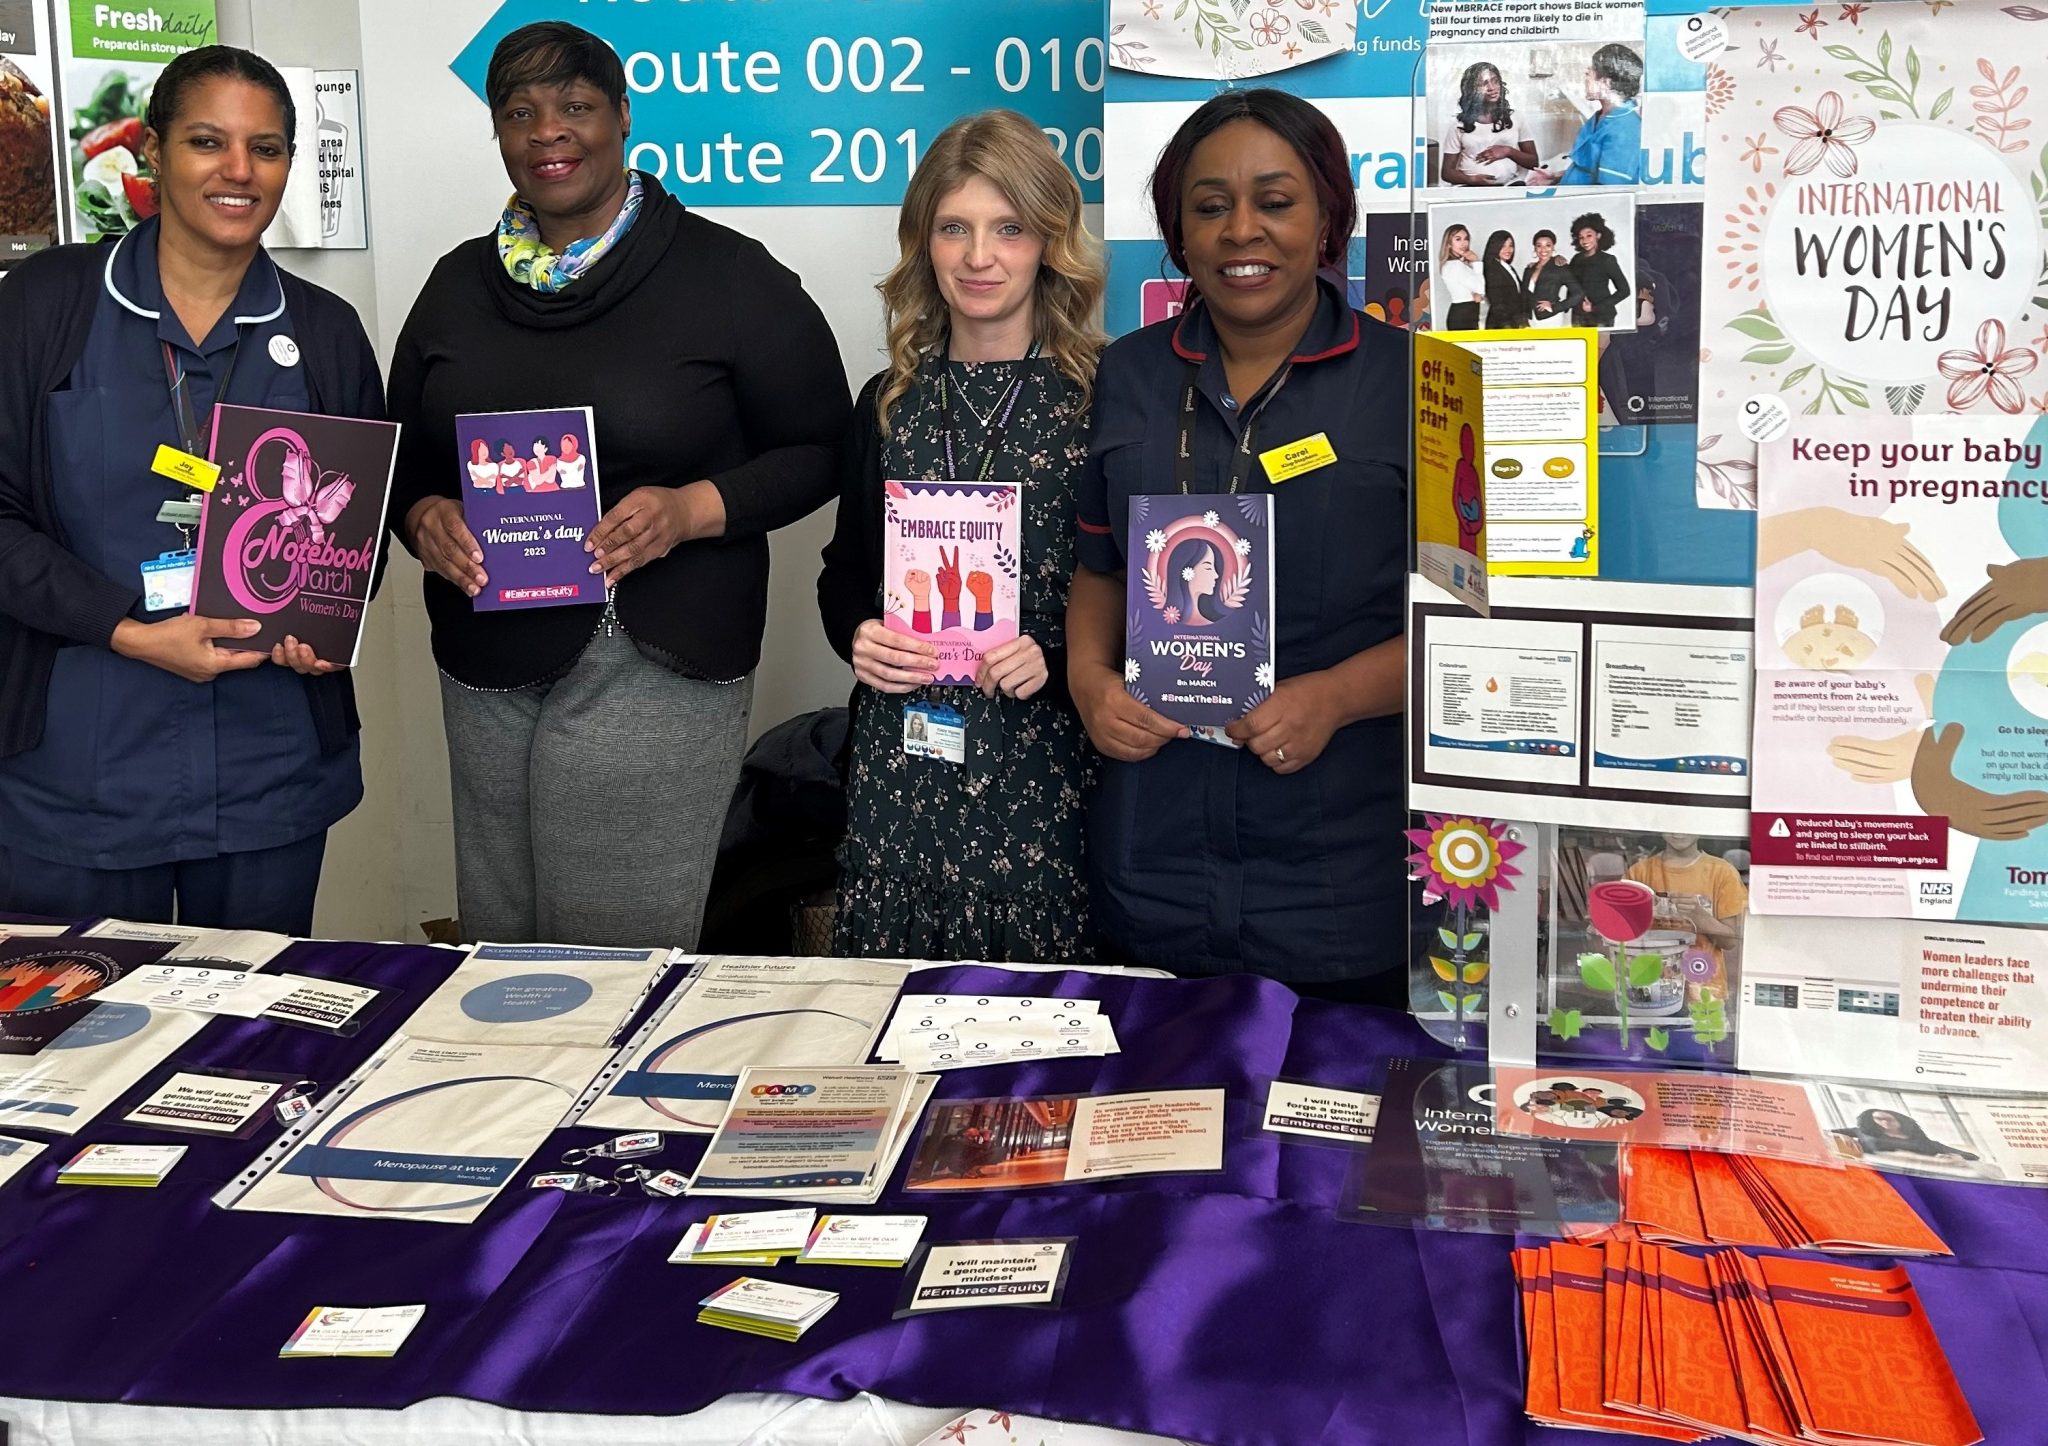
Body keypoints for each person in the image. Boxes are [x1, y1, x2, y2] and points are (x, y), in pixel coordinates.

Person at [386, 21, 848, 947]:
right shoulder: (453, 288)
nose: (547, 131)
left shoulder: (728, 277)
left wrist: (692, 510)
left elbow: (824, 446)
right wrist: (424, 515)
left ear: (623, 118)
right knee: (500, 943)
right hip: (486, 657)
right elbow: (404, 463)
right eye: (520, 111)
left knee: (611, 949)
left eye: (575, 106)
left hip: (655, 651)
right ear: (498, 133)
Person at [0, 46, 381, 933]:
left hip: (269, 772)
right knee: (72, 1045)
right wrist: (127, 629)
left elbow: (354, 538)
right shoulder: (45, 306)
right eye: (209, 141)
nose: (239, 171)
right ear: (154, 154)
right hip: (77, 774)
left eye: (269, 148)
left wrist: (326, 623)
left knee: (251, 1046)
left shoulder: (324, 333)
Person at [1069, 88, 1409, 1002]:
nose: (1240, 231)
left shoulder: (1412, 383)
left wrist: (1335, 697)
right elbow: (1098, 567)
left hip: (1337, 867)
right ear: (1179, 232)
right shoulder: (1126, 375)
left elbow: (1471, 624)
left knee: (1334, 1136)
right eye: (1210, 207)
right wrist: (1091, 682)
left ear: (1330, 215)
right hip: (1155, 852)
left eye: (1276, 200)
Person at [818, 110, 1104, 964]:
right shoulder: (888, 400)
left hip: (1045, 774)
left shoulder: (1106, 398)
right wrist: (858, 637)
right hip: (901, 778)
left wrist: (1055, 652)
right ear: (924, 243)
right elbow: (843, 575)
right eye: (955, 228)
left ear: (1050, 242)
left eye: (1008, 229)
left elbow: (1144, 585)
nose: (980, 257)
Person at [1625, 833, 1745, 994]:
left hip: (1706, 989)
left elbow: (1729, 941)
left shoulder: (1722, 872)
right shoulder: (1639, 872)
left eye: (1685, 823)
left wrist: (1698, 915)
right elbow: (1623, 934)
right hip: (1650, 988)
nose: (1678, 831)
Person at [1530, 43, 1644, 187]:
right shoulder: (1602, 117)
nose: (1585, 77)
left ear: (1606, 83)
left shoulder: (1625, 129)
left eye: (1589, 73)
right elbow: (1590, 169)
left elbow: (1611, 192)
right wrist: (1556, 178)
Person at [1439, 62, 1535, 186]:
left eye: (1495, 81)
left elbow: (1533, 162)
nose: (1492, 88)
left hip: (1509, 187)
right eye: (1484, 84)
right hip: (1470, 188)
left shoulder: (1517, 118)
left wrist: (1507, 151)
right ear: (1472, 90)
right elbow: (1447, 173)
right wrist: (1471, 180)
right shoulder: (1459, 125)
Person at [1840, 1108, 1978, 1162]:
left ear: (1900, 1120)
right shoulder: (1861, 1132)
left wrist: (1955, 1156)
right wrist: (1844, 1139)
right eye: (1878, 1119)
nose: (1884, 1122)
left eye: (1889, 1119)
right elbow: (1826, 1131)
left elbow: (1972, 1156)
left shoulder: (1925, 1143)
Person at [1568, 212, 1630, 328]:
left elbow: (1624, 290)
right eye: (1581, 237)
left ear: (1598, 235)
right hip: (1578, 315)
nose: (1585, 240)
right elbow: (1566, 278)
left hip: (1602, 316)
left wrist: (1594, 308)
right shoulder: (1576, 259)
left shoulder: (1607, 260)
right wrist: (1557, 259)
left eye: (1589, 235)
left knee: (1600, 347)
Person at [1521, 229, 1581, 328]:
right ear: (1535, 248)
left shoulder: (1560, 267)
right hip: (1530, 319)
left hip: (1550, 318)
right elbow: (1524, 295)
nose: (1543, 249)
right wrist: (1523, 318)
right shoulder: (1529, 269)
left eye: (1548, 245)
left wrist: (1555, 307)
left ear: (1553, 247)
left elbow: (1578, 293)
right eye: (1539, 245)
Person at [1437, 224, 1483, 329]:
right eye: (1458, 239)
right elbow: (1480, 288)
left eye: (1466, 239)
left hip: (1464, 312)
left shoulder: (1456, 264)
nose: (1464, 243)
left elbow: (1477, 291)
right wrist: (1477, 262)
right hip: (1464, 315)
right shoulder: (1455, 265)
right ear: (1448, 244)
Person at [1481, 230, 1526, 328]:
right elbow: (1497, 303)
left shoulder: (1507, 267)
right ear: (1495, 246)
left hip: (1512, 322)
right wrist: (1507, 326)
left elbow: (1519, 294)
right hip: (1501, 324)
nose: (1508, 249)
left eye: (1511, 245)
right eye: (1503, 246)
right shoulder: (1491, 269)